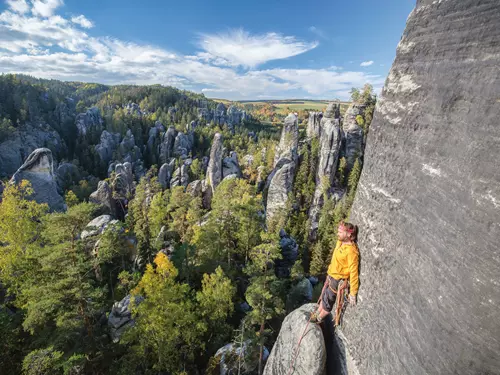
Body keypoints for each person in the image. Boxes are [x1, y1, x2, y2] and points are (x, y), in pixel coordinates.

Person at [311, 221, 360, 324]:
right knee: (324, 296)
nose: (338, 234)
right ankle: (316, 314)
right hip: (331, 276)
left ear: (348, 234)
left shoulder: (351, 251)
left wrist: (353, 293)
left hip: (337, 280)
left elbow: (353, 272)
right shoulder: (341, 242)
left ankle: (318, 319)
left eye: (340, 232)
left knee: (328, 301)